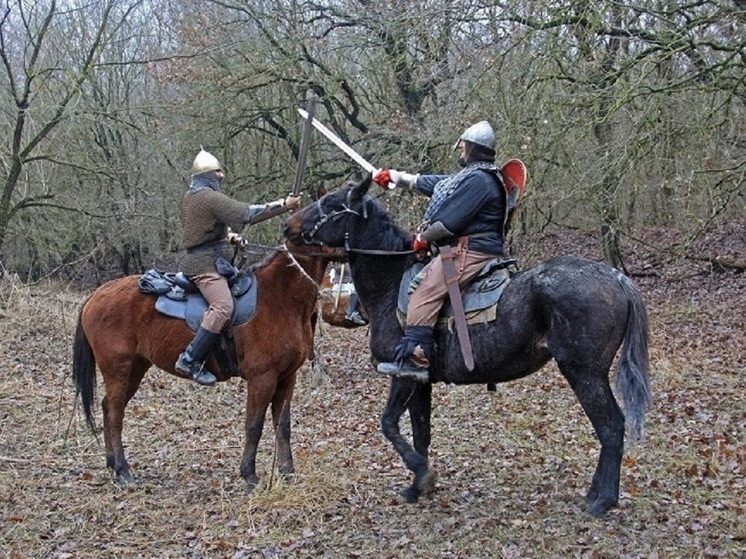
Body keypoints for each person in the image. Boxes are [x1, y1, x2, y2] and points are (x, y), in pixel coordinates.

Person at [372, 121, 507, 382]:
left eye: (463, 147)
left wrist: (422, 238)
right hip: (465, 247)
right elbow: (434, 184)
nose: (460, 151)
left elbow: (448, 222)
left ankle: (418, 358)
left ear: (470, 148)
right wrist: (395, 177)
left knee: (423, 292)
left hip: (470, 251)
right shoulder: (473, 177)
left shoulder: (479, 180)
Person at [176, 149, 301, 386]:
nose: (221, 176)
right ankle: (190, 359)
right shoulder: (207, 197)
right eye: (218, 172)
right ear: (210, 175)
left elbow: (203, 229)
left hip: (215, 260)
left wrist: (230, 237)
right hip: (204, 265)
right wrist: (284, 204)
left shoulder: (193, 196)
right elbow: (246, 214)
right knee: (223, 307)